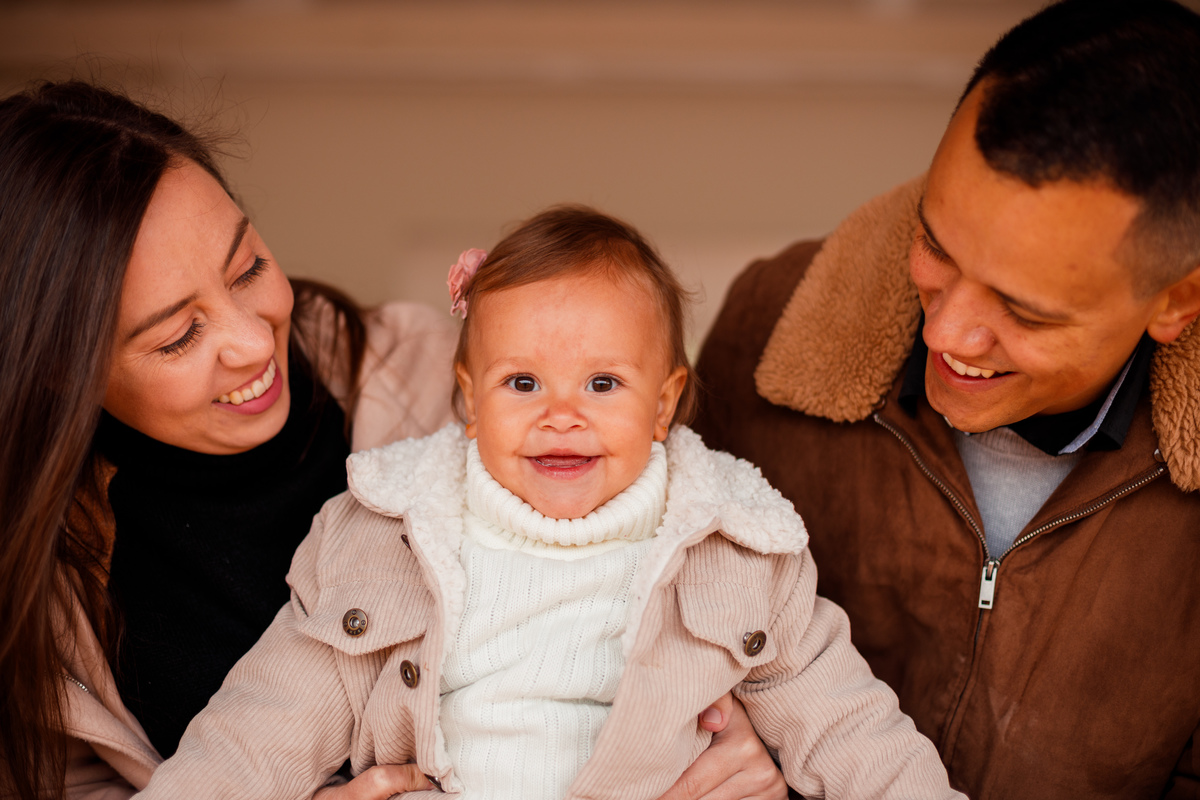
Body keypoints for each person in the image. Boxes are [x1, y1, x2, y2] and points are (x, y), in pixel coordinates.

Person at [0, 82, 781, 800]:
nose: (253, 341)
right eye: (179, 336)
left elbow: (708, 601)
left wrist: (736, 745)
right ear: (60, 373)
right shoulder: (40, 583)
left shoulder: (442, 389)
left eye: (247, 269)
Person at [134, 206, 963, 800]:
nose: (561, 414)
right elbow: (264, 724)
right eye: (522, 383)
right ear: (469, 399)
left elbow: (852, 730)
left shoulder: (740, 548)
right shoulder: (384, 532)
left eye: (602, 384)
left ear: (665, 404)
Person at [693, 1, 1200, 798]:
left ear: (1178, 301)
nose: (945, 333)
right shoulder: (770, 321)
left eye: (1024, 311)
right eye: (934, 243)